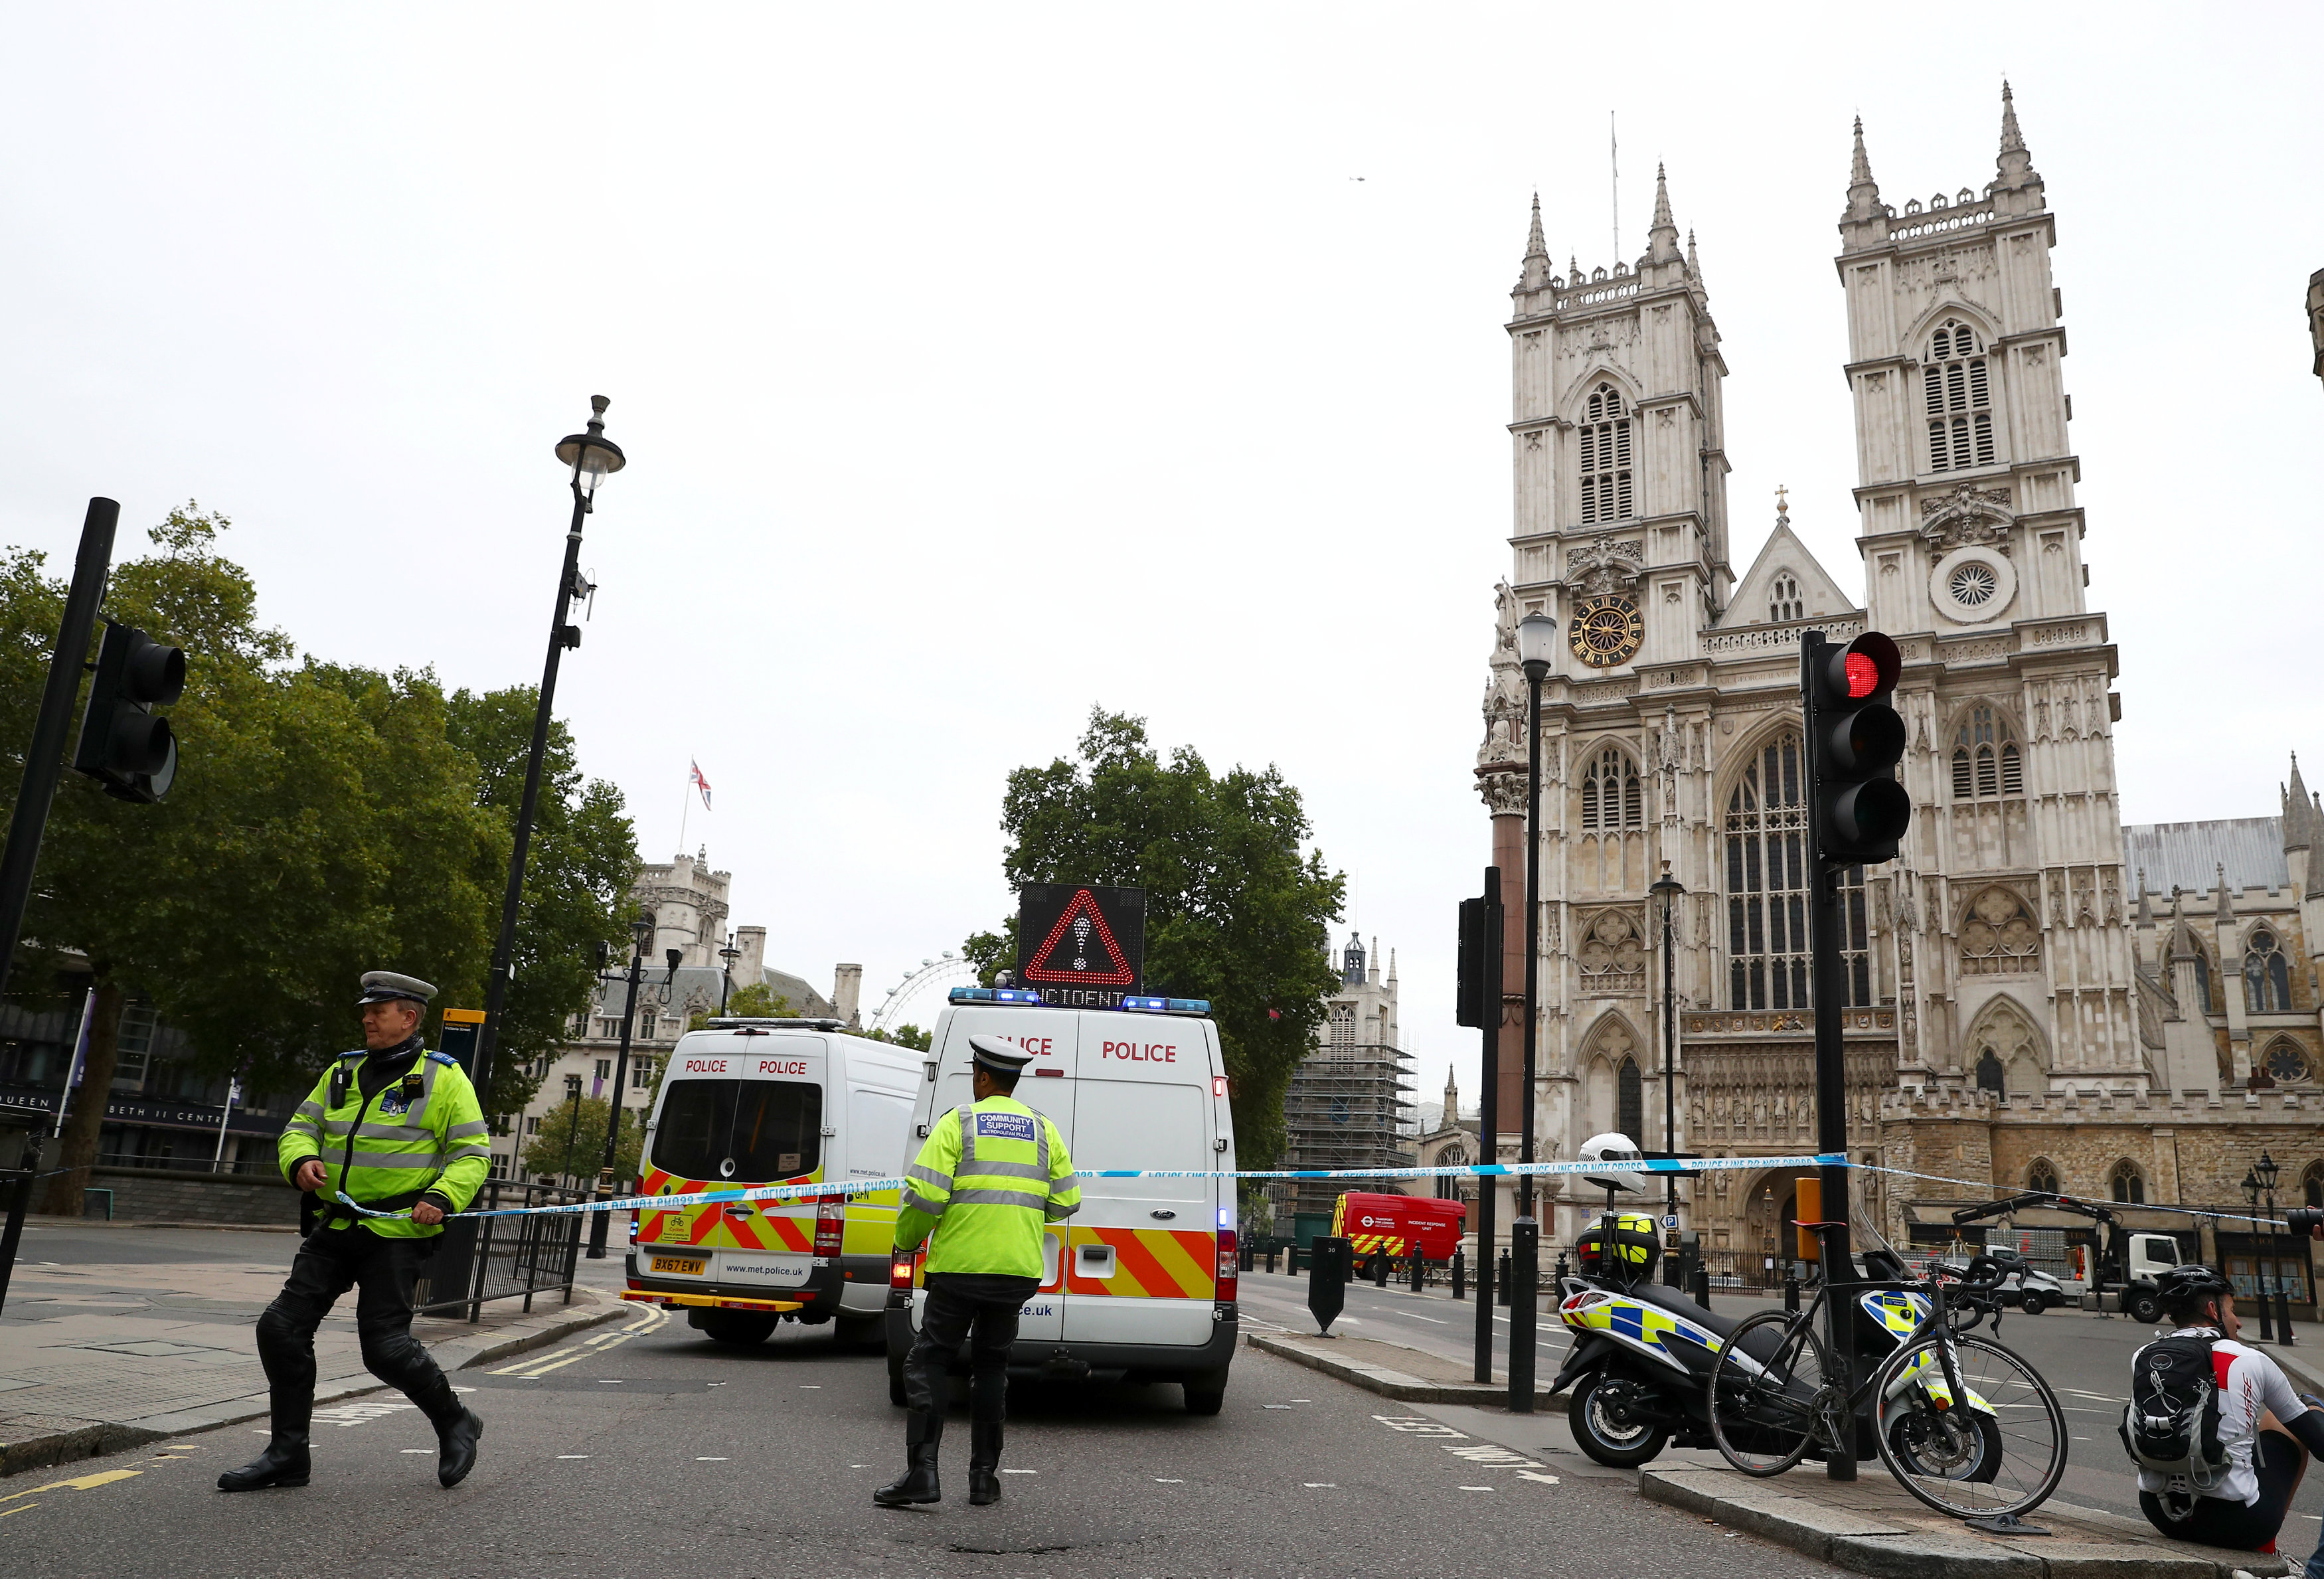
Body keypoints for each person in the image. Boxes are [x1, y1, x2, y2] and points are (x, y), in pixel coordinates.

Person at [217, 972, 493, 1493]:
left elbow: (472, 1154)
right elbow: (300, 1128)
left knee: (385, 1349)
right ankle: (287, 1455)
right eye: (367, 1009)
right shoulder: (342, 1072)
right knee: (280, 1329)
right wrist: (300, 1160)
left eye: (379, 1010)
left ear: (409, 1017)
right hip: (337, 1224)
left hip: (397, 1232)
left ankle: (455, 1420)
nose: (367, 1017)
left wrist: (440, 1197)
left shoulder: (444, 1078)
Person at [875, 1033, 1080, 1509]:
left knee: (929, 1360)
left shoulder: (959, 1124)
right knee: (992, 1366)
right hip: (1016, 1272)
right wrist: (1021, 1216)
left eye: (974, 1074)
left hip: (960, 1269)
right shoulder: (1044, 1130)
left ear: (983, 1077)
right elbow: (1068, 1201)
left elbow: (925, 1197)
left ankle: (922, 1475)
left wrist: (906, 1241)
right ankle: (984, 1480)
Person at [2127, 1264, 2324, 1562]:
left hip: (2163, 1514)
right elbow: (2319, 1443)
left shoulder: (2144, 1355)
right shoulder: (2251, 1359)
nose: (2238, 1323)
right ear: (2212, 1310)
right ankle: (2266, 1551)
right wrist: (2313, 1408)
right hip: (2240, 1525)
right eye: (2232, 1311)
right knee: (2288, 1415)